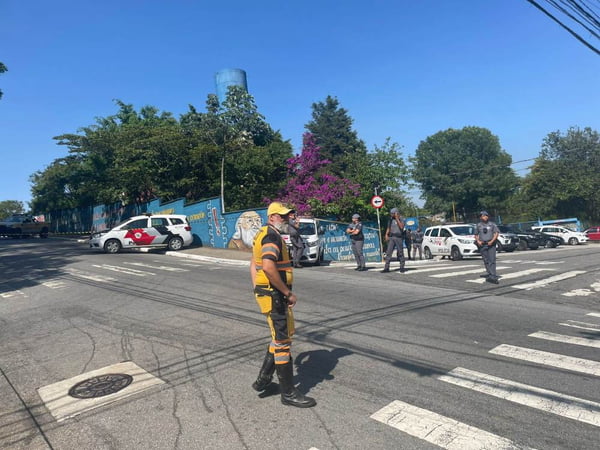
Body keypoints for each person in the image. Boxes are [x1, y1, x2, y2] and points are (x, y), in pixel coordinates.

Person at [250, 201, 316, 408]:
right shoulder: (272, 237)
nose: (286, 219)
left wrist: (257, 287)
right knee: (282, 343)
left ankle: (263, 380)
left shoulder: (263, 233)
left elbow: (254, 263)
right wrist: (287, 292)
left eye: (287, 215)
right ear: (272, 218)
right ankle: (288, 393)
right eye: (282, 216)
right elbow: (268, 266)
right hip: (275, 296)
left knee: (280, 336)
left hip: (268, 294)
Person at [475, 210, 500, 284]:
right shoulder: (478, 225)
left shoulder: (492, 224)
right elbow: (476, 235)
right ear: (480, 217)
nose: (485, 217)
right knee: (486, 260)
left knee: (492, 260)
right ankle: (489, 273)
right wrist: (478, 241)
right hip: (483, 244)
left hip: (491, 244)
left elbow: (496, 233)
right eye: (483, 216)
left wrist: (492, 241)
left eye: (486, 215)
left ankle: (493, 275)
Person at [382, 208, 406, 273]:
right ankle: (386, 268)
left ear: (396, 213)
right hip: (391, 237)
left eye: (392, 213)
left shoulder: (401, 219)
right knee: (388, 252)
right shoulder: (390, 219)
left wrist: (397, 218)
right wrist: (386, 234)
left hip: (398, 237)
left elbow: (401, 227)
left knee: (400, 252)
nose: (391, 215)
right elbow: (388, 227)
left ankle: (402, 267)